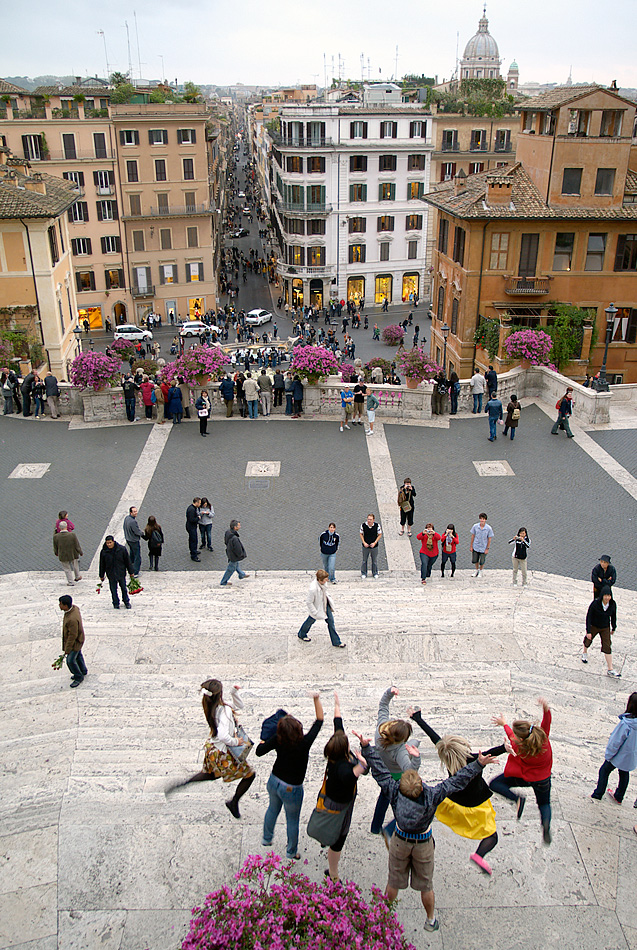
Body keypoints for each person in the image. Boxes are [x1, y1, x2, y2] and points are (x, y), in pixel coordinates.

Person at [356, 733, 496, 933]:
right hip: (423, 843)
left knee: (393, 882)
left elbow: (381, 772)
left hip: (400, 840)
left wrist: (367, 748)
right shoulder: (432, 795)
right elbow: (457, 781)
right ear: (421, 785)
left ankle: (383, 918)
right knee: (426, 886)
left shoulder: (394, 792)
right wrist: (478, 765)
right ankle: (430, 919)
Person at [409, 707, 505, 875]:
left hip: (453, 802)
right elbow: (493, 751)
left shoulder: (448, 757)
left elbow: (435, 738)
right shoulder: (473, 759)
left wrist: (418, 718)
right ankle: (478, 856)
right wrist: (505, 747)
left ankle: (396, 826)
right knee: (492, 836)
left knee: (426, 811)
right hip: (476, 806)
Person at [166, 680, 255, 819]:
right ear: (219, 694)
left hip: (213, 748)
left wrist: (234, 693)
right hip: (224, 753)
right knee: (250, 775)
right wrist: (236, 741)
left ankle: (185, 782)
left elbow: (239, 706)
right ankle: (234, 802)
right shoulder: (223, 710)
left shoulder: (212, 706)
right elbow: (223, 735)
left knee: (211, 774)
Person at [257, 693, 325, 859]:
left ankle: (266, 839)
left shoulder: (277, 739)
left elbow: (259, 752)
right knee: (292, 820)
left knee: (272, 809)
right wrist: (316, 699)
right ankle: (291, 851)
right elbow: (320, 721)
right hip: (292, 787)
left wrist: (263, 740)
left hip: (274, 781)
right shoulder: (305, 742)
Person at [490, 697, 554, 845]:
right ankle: (546, 824)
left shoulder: (519, 747)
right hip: (543, 780)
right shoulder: (543, 737)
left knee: (495, 784)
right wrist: (545, 708)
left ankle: (517, 798)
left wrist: (504, 724)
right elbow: (547, 721)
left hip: (525, 778)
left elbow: (511, 736)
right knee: (544, 804)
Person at [319, 692, 369, 881]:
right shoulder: (346, 770)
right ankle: (333, 873)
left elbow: (337, 724)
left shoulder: (335, 754)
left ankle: (326, 839)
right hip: (340, 805)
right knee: (338, 839)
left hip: (328, 796)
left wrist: (337, 705)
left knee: (329, 825)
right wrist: (363, 760)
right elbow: (363, 770)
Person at [370, 687, 421, 844]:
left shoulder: (380, 731)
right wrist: (416, 757)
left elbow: (383, 706)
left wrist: (389, 692)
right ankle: (390, 828)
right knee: (403, 803)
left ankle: (375, 826)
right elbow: (410, 771)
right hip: (395, 776)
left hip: (380, 770)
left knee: (384, 797)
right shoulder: (400, 752)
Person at [591, 693, 637, 804]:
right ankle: (619, 797)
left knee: (604, 770)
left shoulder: (626, 724)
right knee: (624, 773)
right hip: (631, 756)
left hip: (620, 755)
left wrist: (609, 755)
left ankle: (598, 794)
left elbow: (616, 741)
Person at [297, 569, 345, 648]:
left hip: (325, 604)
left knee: (331, 622)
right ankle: (302, 633)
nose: (327, 580)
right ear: (320, 580)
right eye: (326, 579)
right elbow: (309, 602)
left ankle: (336, 641)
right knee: (310, 621)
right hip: (317, 607)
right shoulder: (313, 589)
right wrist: (315, 612)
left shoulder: (323, 583)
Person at [582, 585, 620, 676]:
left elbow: (613, 616)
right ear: (602, 595)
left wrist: (613, 627)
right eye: (605, 595)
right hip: (594, 625)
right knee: (588, 640)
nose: (607, 598)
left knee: (607, 645)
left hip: (605, 627)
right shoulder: (595, 604)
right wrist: (588, 631)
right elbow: (589, 617)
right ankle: (584, 652)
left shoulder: (613, 604)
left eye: (609, 596)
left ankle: (610, 668)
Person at [59, 595, 87, 688]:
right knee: (78, 655)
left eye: (61, 604)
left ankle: (78, 676)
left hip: (76, 642)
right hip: (79, 638)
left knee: (70, 660)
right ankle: (83, 670)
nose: (59, 605)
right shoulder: (74, 609)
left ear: (66, 605)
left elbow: (72, 635)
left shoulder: (71, 619)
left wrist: (67, 649)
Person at [98, 536, 133, 609]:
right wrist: (101, 575)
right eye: (107, 543)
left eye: (110, 543)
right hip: (111, 574)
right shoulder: (104, 552)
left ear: (113, 542)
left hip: (121, 572)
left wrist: (131, 572)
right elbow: (102, 564)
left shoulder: (122, 549)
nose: (109, 544)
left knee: (123, 588)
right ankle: (115, 603)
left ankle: (126, 601)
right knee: (113, 590)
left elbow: (127, 561)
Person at [220, 519, 250, 586]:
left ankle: (241, 574)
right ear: (235, 527)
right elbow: (238, 549)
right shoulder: (234, 538)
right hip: (233, 555)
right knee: (231, 568)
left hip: (229, 552)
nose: (240, 527)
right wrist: (240, 555)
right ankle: (224, 582)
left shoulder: (228, 532)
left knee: (236, 564)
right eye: (239, 526)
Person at [53, 521, 83, 586]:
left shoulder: (56, 536)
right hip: (73, 553)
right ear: (66, 527)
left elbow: (55, 547)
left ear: (59, 527)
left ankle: (70, 582)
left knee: (67, 568)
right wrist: (80, 552)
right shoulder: (72, 535)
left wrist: (56, 553)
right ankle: (77, 576)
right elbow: (76, 545)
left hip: (63, 554)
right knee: (75, 565)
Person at [470, 513, 494, 577]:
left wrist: (487, 548)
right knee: (475, 559)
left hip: (483, 547)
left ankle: (481, 570)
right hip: (476, 545)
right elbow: (473, 536)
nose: (482, 520)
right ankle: (476, 570)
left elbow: (489, 539)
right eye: (481, 519)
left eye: (483, 519)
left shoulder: (488, 528)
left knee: (482, 560)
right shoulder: (475, 526)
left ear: (485, 520)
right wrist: (471, 546)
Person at [123, 506, 144, 576]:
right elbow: (137, 531)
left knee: (132, 553)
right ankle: (135, 572)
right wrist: (142, 533)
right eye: (134, 511)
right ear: (131, 512)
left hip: (128, 539)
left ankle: (130, 567)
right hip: (134, 540)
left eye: (136, 511)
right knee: (137, 556)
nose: (136, 513)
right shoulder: (133, 522)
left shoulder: (126, 518)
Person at [360, 513, 382, 579]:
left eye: (370, 519)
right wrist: (364, 542)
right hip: (365, 546)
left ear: (373, 520)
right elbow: (361, 534)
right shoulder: (363, 525)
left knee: (374, 560)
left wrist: (375, 542)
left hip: (374, 546)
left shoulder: (377, 526)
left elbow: (380, 534)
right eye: (368, 519)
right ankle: (364, 573)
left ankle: (375, 572)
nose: (369, 521)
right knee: (364, 560)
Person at [186, 498, 201, 562]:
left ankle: (193, 551)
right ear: (196, 503)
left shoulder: (191, 508)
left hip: (190, 526)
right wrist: (198, 518)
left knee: (192, 539)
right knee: (194, 541)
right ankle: (194, 555)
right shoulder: (192, 510)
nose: (200, 504)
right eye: (199, 503)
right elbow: (192, 519)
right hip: (191, 527)